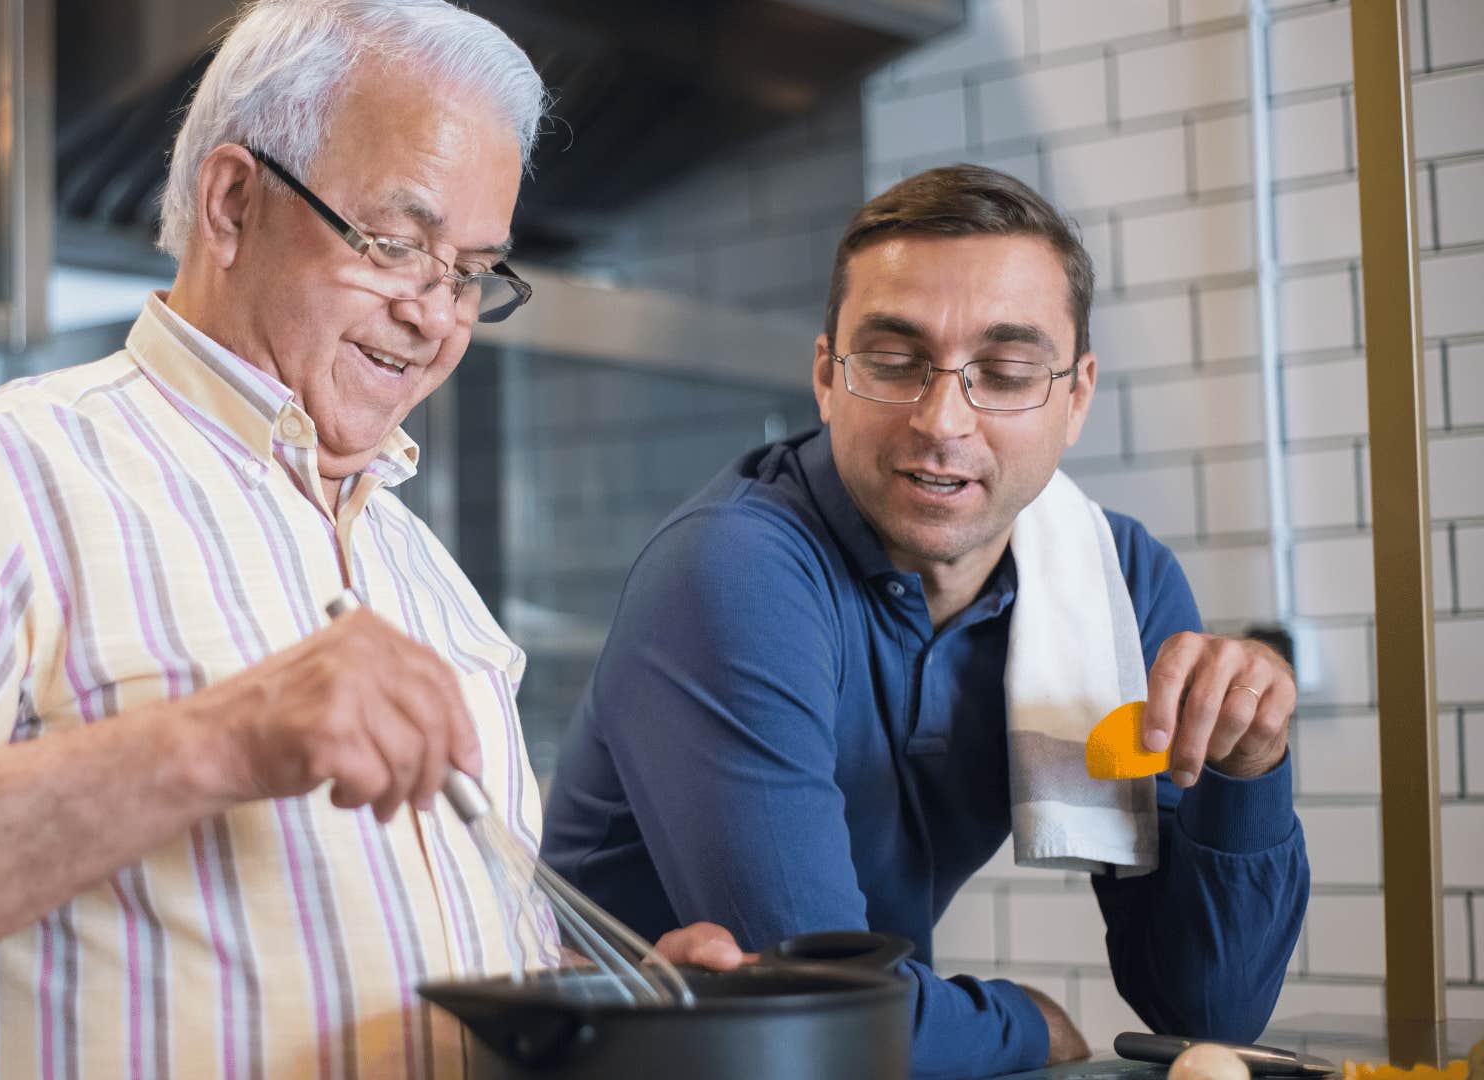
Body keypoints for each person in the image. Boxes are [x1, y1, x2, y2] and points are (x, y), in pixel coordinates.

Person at [0, 4, 735, 1077]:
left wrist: (626, 992)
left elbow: (420, 949)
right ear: (233, 203)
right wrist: (218, 741)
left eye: (469, 272)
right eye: (395, 244)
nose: (434, 316)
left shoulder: (420, 568)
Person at [540, 165, 1310, 1079]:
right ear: (827, 377)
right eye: (895, 363)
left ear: (1076, 396)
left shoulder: (1112, 584)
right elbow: (813, 1008)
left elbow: (1205, 1013)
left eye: (1008, 371)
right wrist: (1024, 1022)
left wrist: (1249, 766)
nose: (944, 419)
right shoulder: (733, 571)